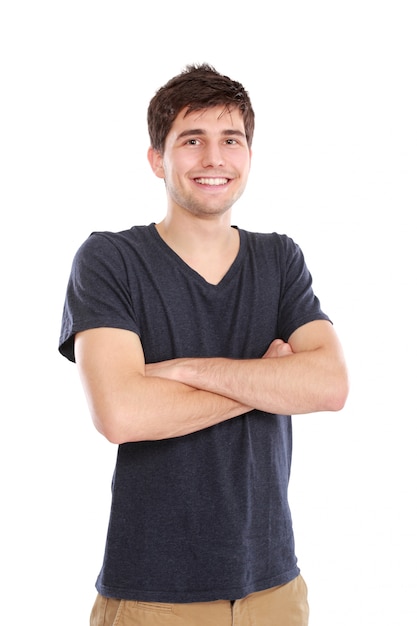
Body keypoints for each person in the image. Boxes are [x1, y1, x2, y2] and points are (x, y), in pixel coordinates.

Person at [59, 63, 349, 626]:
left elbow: (330, 385)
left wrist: (179, 371)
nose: (214, 158)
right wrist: (268, 382)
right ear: (157, 159)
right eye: (192, 140)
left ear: (248, 156)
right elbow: (120, 413)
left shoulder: (279, 259)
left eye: (231, 140)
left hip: (275, 590)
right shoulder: (111, 259)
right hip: (155, 595)